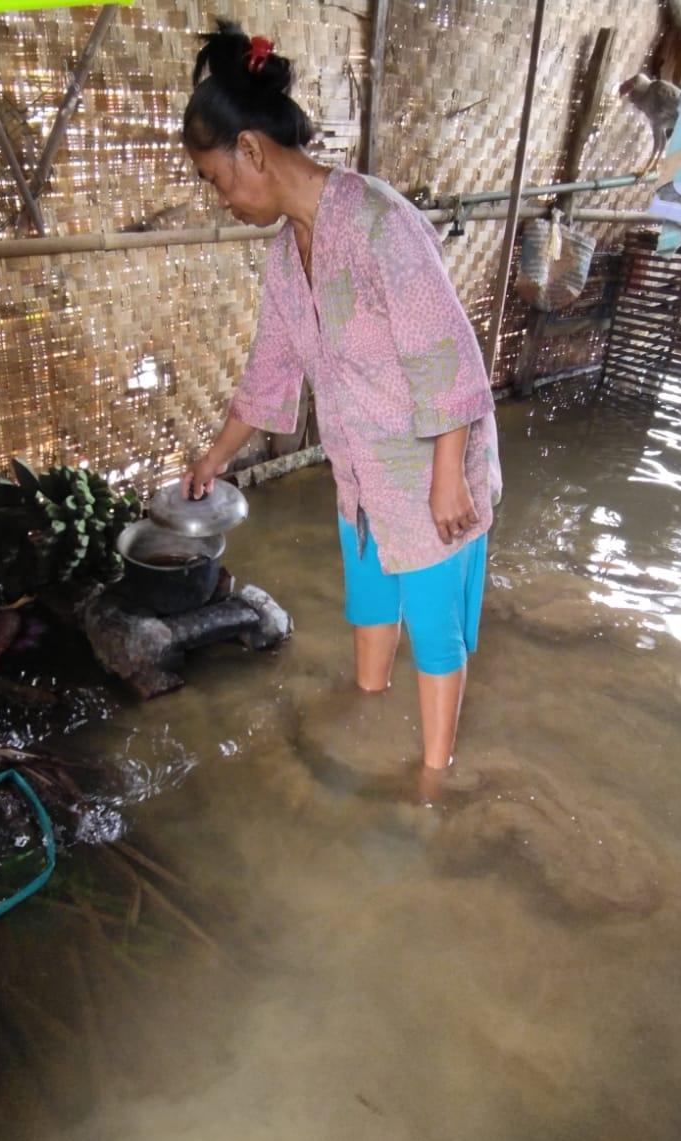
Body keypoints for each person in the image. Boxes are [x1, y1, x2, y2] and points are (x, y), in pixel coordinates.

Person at [178, 20, 502, 777]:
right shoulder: (287, 259)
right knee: (370, 609)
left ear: (251, 150)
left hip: (430, 472)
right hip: (362, 475)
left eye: (218, 180)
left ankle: (432, 776)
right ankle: (365, 709)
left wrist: (449, 474)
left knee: (433, 630)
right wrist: (214, 458)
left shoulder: (379, 221)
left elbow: (445, 352)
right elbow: (270, 369)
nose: (221, 199)